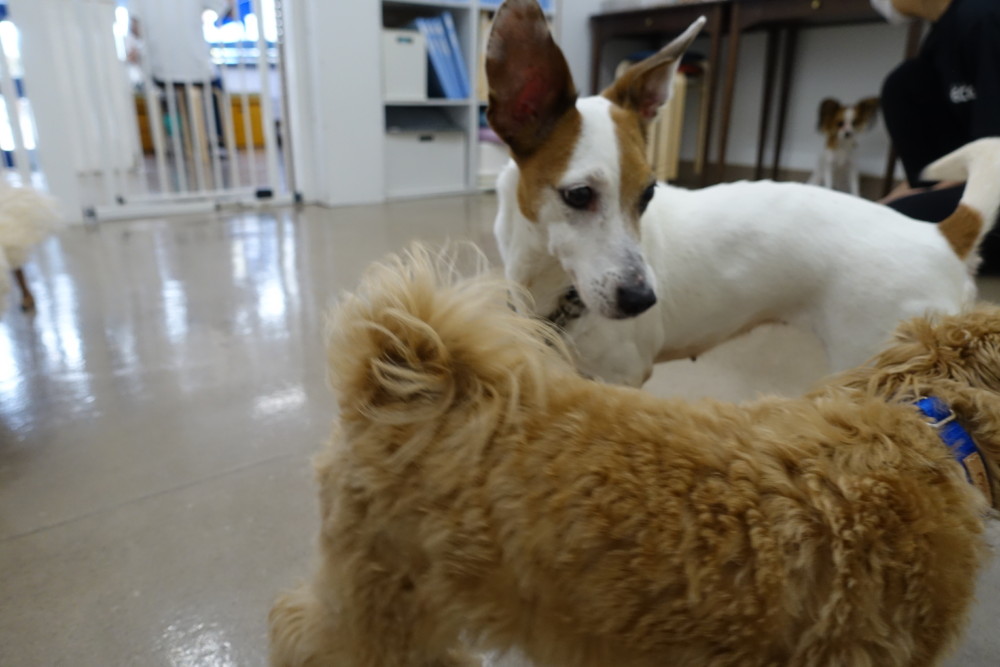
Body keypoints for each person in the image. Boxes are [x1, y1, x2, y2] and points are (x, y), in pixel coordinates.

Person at [872, 0, 1000, 269]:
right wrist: (880, 206)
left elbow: (992, 152)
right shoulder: (940, 37)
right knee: (905, 81)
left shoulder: (984, 17)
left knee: (892, 229)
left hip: (993, 176)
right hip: (979, 181)